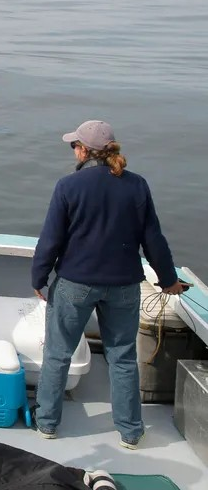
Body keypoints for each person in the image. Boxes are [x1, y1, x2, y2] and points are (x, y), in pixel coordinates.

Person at [31, 120, 186, 450]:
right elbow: (153, 239)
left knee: (58, 355)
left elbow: (51, 240)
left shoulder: (68, 186)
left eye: (74, 145)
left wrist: (39, 277)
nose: (73, 150)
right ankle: (130, 431)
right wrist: (168, 280)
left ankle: (47, 423)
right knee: (123, 358)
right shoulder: (137, 185)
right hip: (124, 285)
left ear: (84, 151)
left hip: (75, 283)